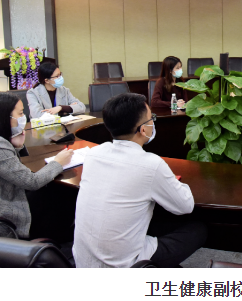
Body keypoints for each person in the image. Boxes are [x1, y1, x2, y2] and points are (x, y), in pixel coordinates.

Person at [73, 93, 206, 268]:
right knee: (198, 230)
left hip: (82, 260)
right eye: (151, 119)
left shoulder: (93, 154)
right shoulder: (151, 165)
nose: (153, 123)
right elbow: (185, 206)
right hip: (124, 265)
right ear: (143, 130)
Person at [0, 92, 73, 238]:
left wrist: (16, 146)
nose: (24, 117)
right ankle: (60, 239)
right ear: (5, 117)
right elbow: (31, 182)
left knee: (50, 192)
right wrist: (58, 162)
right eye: (21, 113)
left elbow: (8, 168)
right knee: (58, 193)